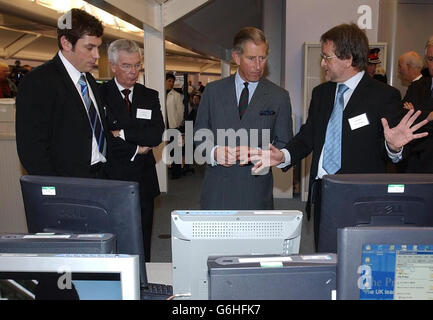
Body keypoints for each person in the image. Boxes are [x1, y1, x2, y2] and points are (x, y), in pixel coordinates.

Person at [251, 23, 428, 248]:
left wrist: (393, 147)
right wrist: (283, 155)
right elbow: (308, 136)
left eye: (327, 57)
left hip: (361, 197)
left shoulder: (384, 96)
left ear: (348, 59)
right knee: (325, 256)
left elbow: (395, 148)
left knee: (359, 262)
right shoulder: (321, 93)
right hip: (324, 192)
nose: (322, 62)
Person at [194, 26, 292, 210]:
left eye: (262, 58)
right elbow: (198, 134)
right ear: (237, 57)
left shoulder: (278, 96)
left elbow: (285, 142)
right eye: (251, 58)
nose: (258, 65)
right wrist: (214, 152)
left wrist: (269, 155)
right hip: (217, 191)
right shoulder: (213, 92)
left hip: (256, 192)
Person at [16, 8, 107, 179]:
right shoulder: (39, 82)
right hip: (67, 183)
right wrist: (55, 189)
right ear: (66, 43)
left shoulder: (90, 81)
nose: (96, 55)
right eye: (89, 47)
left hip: (100, 176)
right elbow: (32, 148)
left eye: (98, 48)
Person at [100, 39, 164, 262]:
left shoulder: (149, 95)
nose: (133, 71)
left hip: (143, 179)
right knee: (113, 238)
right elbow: (102, 138)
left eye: (137, 65)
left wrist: (123, 134)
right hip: (111, 177)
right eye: (127, 66)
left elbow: (156, 135)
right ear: (113, 66)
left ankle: (142, 285)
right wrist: (137, 145)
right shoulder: (100, 94)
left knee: (142, 238)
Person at [400, 36, 433, 173]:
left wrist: (416, 114)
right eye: (431, 59)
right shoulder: (416, 87)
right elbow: (402, 118)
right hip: (414, 165)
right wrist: (429, 117)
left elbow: (412, 119)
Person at [165, 72, 185, 179]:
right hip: (163, 127)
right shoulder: (160, 93)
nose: (171, 83)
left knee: (175, 151)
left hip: (173, 126)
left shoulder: (176, 95)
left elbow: (181, 112)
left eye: (173, 81)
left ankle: (176, 173)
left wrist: (177, 125)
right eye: (169, 81)